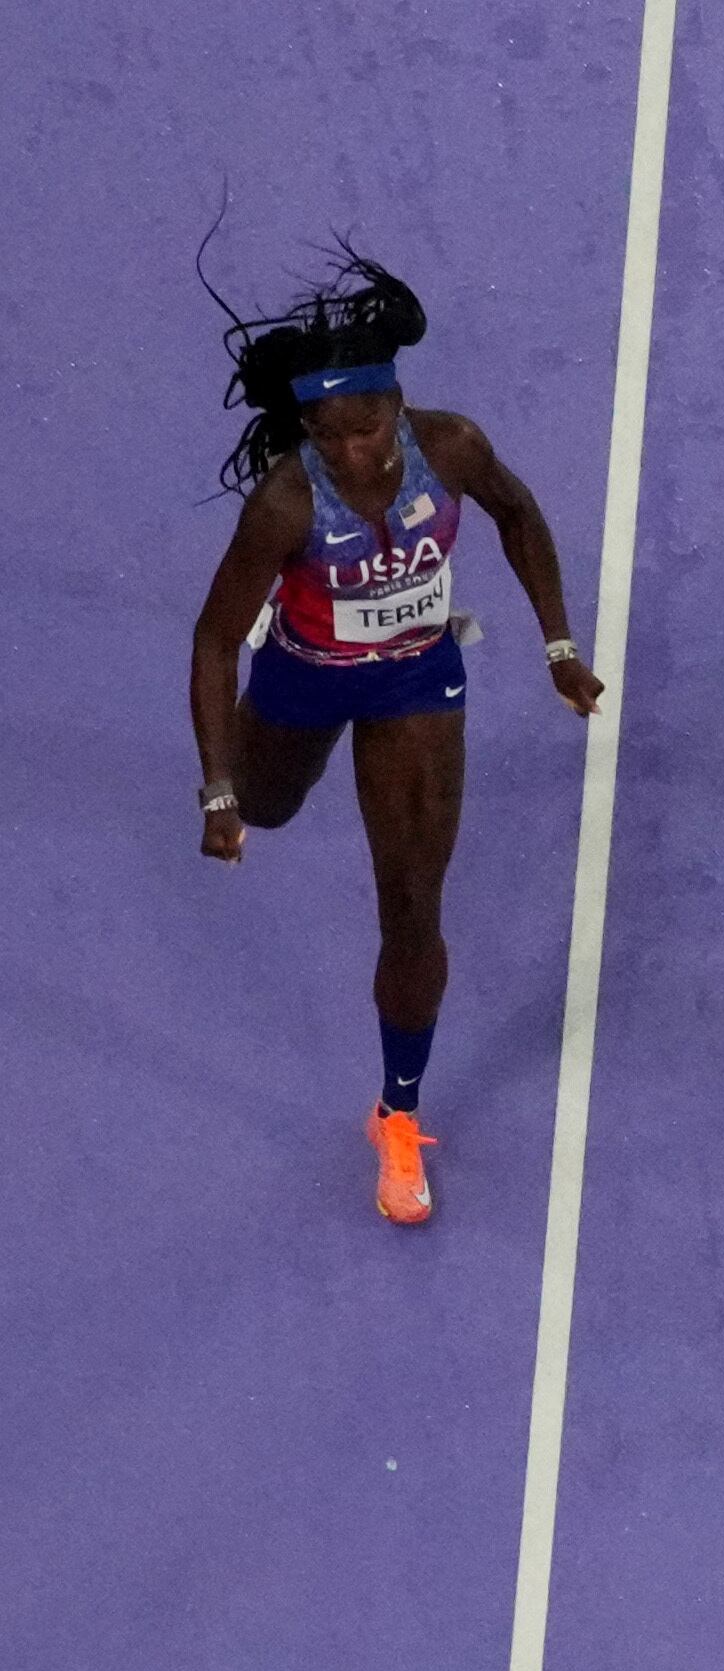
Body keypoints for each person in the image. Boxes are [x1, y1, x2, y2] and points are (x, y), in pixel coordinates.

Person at [188, 249, 603, 1225]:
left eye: (367, 427)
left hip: (416, 680)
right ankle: (262, 732)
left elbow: (517, 511)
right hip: (301, 678)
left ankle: (398, 1114)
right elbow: (210, 641)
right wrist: (214, 791)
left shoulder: (449, 447)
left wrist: (557, 643)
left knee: (413, 904)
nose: (354, 452)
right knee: (266, 808)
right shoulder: (286, 505)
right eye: (329, 436)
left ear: (397, 401)